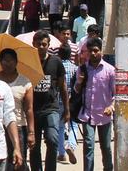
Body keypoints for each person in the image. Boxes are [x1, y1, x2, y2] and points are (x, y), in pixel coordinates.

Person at [28, 29, 69, 171]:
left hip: (51, 109)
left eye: (44, 44)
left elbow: (63, 87)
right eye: (38, 44)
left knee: (52, 140)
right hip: (32, 111)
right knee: (34, 146)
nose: (41, 47)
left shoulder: (55, 61)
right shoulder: (28, 63)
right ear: (33, 44)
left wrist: (67, 111)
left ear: (48, 45)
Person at [72, 37, 115, 170]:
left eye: (96, 51)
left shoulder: (110, 70)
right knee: (88, 146)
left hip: (104, 115)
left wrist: (111, 106)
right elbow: (76, 90)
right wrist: (79, 81)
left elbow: (116, 94)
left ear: (101, 51)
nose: (93, 54)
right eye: (90, 51)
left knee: (106, 147)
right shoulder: (82, 69)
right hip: (87, 115)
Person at [0, 47, 35, 167]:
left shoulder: (25, 82)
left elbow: (29, 109)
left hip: (19, 127)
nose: (8, 63)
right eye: (5, 60)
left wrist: (31, 132)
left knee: (18, 162)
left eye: (11, 60)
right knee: (0, 162)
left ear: (16, 62)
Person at [58, 43, 80, 162]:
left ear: (59, 54)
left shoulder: (57, 67)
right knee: (74, 125)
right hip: (72, 101)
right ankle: (71, 145)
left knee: (60, 126)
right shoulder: (75, 68)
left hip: (59, 100)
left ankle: (61, 152)